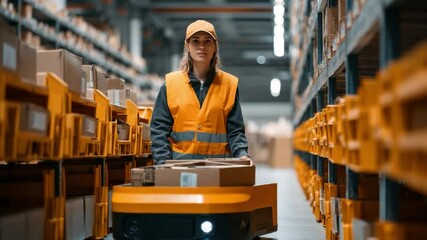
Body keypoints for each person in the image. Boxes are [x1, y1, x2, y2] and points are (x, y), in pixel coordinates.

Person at [150, 20, 250, 165]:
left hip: (218, 169)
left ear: (215, 47)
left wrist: (242, 154)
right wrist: (162, 163)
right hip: (180, 168)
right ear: (187, 47)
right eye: (196, 41)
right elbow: (159, 130)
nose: (202, 47)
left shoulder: (229, 85)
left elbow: (235, 130)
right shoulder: (170, 85)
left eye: (207, 41)